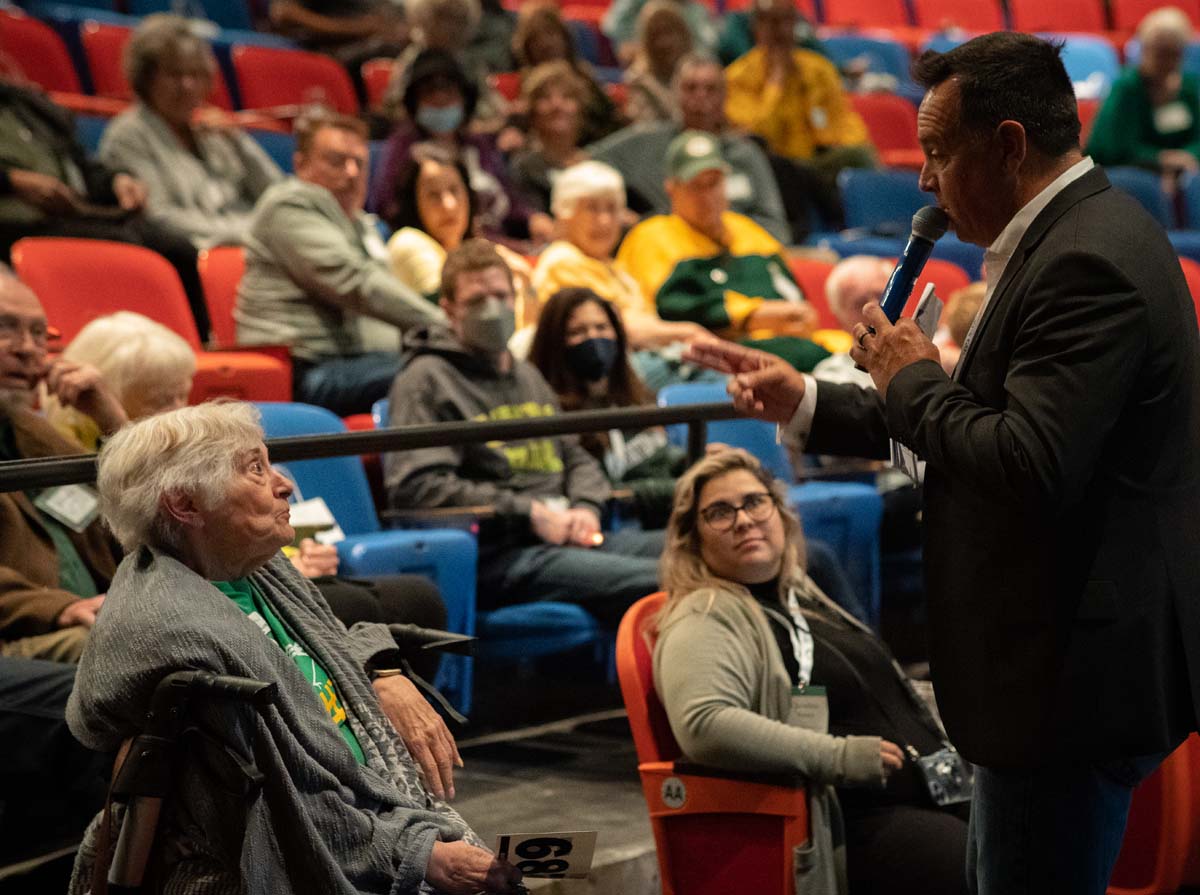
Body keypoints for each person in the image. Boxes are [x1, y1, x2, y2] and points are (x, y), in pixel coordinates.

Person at [685, 32, 1200, 895]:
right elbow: (981, 422)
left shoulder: (1085, 261)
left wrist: (911, 371)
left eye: (937, 153)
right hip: (1063, 672)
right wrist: (809, 403)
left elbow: (1022, 460)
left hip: (1064, 688)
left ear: (1008, 144)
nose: (923, 179)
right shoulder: (1085, 231)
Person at [67, 401, 523, 893]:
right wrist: (420, 854)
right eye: (255, 469)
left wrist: (382, 673)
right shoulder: (182, 632)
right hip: (303, 856)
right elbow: (293, 814)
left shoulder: (259, 568)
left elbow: (331, 644)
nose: (284, 483)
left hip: (374, 811)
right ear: (185, 505)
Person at [654, 448, 969, 895]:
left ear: (780, 513)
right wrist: (836, 756)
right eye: (719, 513)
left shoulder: (799, 593)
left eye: (754, 502)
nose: (743, 520)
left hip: (936, 788)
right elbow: (704, 724)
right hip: (849, 818)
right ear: (693, 538)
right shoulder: (705, 613)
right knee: (990, 869)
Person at [385, 239, 664, 625]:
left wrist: (587, 505)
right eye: (476, 301)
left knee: (707, 552)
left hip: (569, 537)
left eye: (501, 295)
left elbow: (574, 455)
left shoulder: (526, 375)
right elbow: (417, 487)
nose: (493, 310)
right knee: (670, 579)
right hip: (502, 553)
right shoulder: (425, 380)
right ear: (448, 310)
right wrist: (526, 512)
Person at [236, 112, 445, 417]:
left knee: (445, 363)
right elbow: (356, 283)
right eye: (336, 161)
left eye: (359, 163)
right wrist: (446, 328)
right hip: (307, 370)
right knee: (438, 367)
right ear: (301, 165)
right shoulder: (288, 206)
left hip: (355, 363)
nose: (351, 173)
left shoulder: (361, 224)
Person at [0, 76, 211, 341]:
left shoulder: (27, 106)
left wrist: (116, 182)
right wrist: (11, 182)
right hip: (11, 224)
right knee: (125, 243)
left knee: (177, 248)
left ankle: (196, 347)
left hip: (68, 216)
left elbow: (83, 166)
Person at [616, 130, 828, 371]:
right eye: (696, 186)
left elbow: (794, 298)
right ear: (671, 189)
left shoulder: (747, 229)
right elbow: (673, 307)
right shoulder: (650, 236)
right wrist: (750, 314)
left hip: (794, 345)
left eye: (714, 183)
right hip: (720, 357)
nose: (707, 197)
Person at [0, 266, 121, 662]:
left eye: (39, 333)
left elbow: (145, 519)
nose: (26, 348)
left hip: (97, 620)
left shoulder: (34, 434)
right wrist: (58, 610)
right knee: (111, 652)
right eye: (5, 328)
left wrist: (112, 421)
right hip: (24, 635)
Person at [98, 16, 283, 251]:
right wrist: (248, 232)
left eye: (195, 74)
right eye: (174, 75)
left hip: (255, 245)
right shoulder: (128, 134)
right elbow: (159, 217)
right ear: (146, 78)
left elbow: (277, 194)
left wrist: (238, 140)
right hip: (201, 253)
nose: (187, 86)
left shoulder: (214, 129)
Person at [588, 53, 790, 241]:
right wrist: (614, 210)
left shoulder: (746, 153)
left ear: (725, 97)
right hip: (670, 251)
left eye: (710, 89)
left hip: (736, 253)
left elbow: (776, 228)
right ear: (675, 94)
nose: (700, 97)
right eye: (691, 88)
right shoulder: (645, 142)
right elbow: (585, 163)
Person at [528, 287, 684, 527]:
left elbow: (658, 457)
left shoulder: (634, 395)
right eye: (577, 332)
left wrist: (696, 460)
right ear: (555, 343)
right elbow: (605, 490)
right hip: (618, 526)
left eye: (601, 328)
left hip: (667, 515)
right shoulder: (551, 411)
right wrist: (684, 488)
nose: (593, 338)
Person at [372, 49, 549, 243]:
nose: (440, 99)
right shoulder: (402, 148)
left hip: (501, 240)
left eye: (448, 91)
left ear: (465, 99)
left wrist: (531, 218)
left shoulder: (479, 144)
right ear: (415, 102)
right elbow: (389, 209)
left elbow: (508, 199)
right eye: (430, 92)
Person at [384, 147, 538, 344]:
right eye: (433, 195)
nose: (449, 204)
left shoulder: (480, 248)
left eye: (454, 191)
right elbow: (464, 323)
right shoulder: (409, 242)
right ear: (413, 202)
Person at [724, 0, 875, 182]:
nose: (778, 30)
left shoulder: (818, 69)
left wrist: (839, 141)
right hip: (771, 165)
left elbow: (845, 123)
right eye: (770, 21)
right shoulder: (737, 77)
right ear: (756, 27)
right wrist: (775, 85)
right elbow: (758, 136)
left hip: (814, 161)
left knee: (860, 155)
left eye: (785, 20)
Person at [44, 310, 195, 451]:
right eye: (161, 401)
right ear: (96, 399)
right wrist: (115, 426)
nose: (180, 412)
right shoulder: (56, 444)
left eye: (183, 395)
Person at [1087, 6, 1200, 181]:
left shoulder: (1188, 88)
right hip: (1131, 176)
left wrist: (1188, 156)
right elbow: (1114, 148)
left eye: (1173, 53)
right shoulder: (1127, 88)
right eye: (1160, 51)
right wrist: (1162, 159)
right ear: (1145, 49)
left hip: (1184, 172)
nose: (1166, 61)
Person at [511, 3, 623, 146]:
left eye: (551, 33)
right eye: (536, 38)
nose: (546, 44)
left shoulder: (583, 75)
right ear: (527, 46)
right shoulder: (527, 85)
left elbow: (610, 120)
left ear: (565, 38)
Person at [509, 61, 590, 216]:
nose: (557, 105)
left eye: (567, 97)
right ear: (532, 111)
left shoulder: (596, 163)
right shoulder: (524, 168)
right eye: (545, 97)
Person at [808, 255, 893, 388]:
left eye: (882, 296)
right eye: (860, 303)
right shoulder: (832, 378)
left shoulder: (933, 349)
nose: (874, 309)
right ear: (839, 320)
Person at [623, 1, 693, 125]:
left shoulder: (699, 75)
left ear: (683, 34)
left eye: (669, 32)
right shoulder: (638, 80)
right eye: (655, 35)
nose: (664, 43)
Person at [602, 0, 716, 61]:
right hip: (646, 68)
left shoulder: (697, 11)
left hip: (684, 71)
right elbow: (611, 26)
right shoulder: (634, 3)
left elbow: (708, 52)